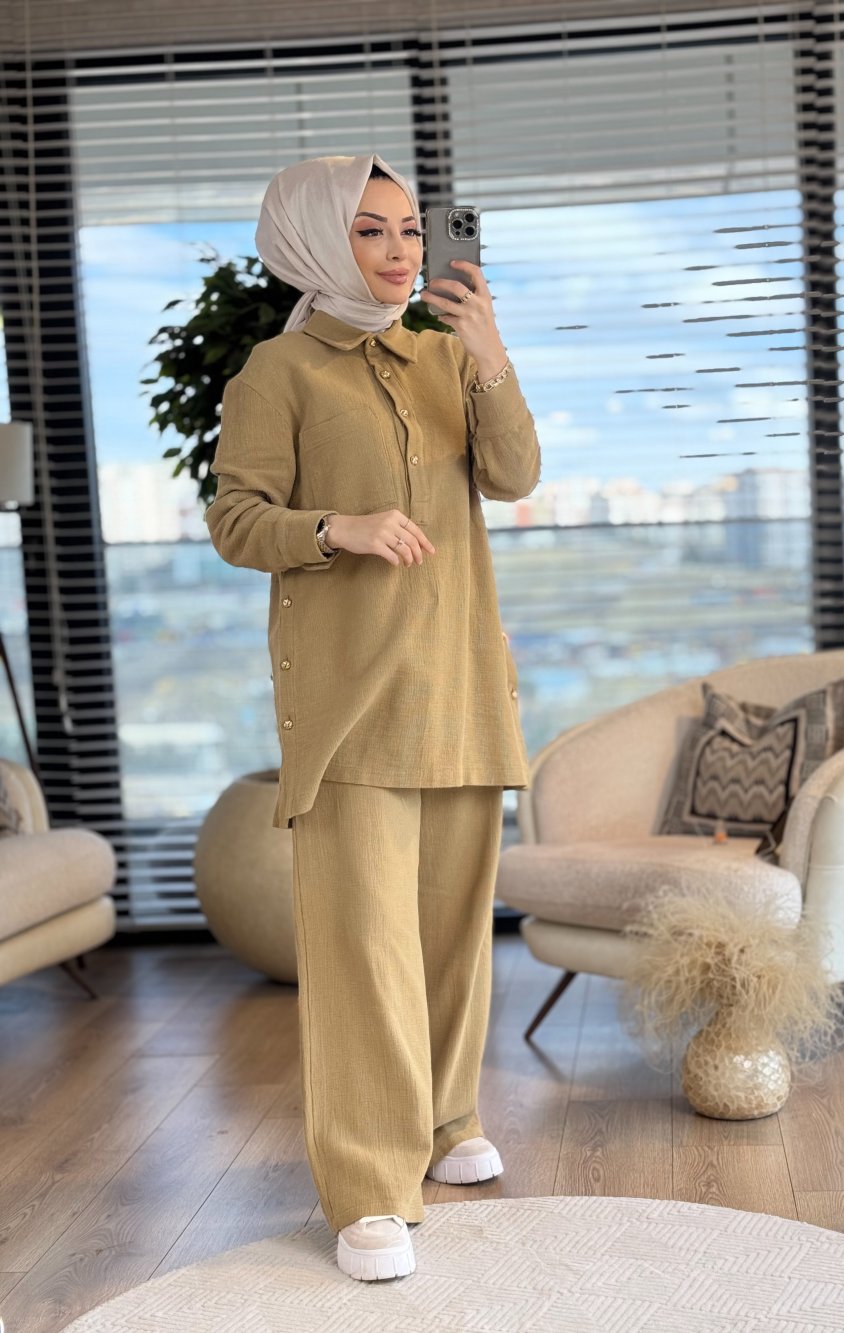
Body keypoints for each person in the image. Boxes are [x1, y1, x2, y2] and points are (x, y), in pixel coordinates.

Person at [204, 153, 542, 1282]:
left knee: (450, 934)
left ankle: (447, 1123)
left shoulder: (446, 356)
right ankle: (366, 1185)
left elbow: (514, 474)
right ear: (313, 240)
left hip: (459, 683)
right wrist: (333, 528)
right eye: (369, 230)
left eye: (409, 230)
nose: (400, 252)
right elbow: (236, 519)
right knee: (363, 948)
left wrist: (488, 351)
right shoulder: (278, 371)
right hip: (350, 700)